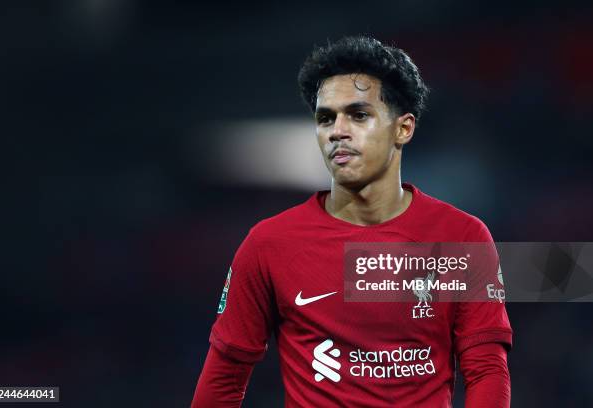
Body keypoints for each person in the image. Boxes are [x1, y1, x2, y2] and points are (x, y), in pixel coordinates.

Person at [192, 36, 512, 407]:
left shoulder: (462, 237)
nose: (337, 131)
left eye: (358, 115)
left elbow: (486, 368)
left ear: (403, 129)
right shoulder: (268, 244)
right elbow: (225, 374)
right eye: (326, 117)